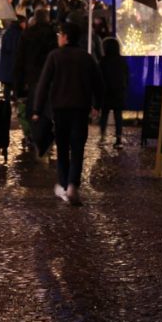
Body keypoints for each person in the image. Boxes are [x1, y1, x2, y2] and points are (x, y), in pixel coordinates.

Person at [32, 18, 103, 206]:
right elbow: (98, 83)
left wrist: (37, 109)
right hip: (80, 109)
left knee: (63, 148)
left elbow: (43, 84)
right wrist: (96, 104)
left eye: (59, 34)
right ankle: (73, 185)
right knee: (78, 148)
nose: (58, 37)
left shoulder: (54, 56)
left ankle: (64, 184)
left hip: (59, 109)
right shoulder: (86, 57)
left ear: (65, 37)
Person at [13, 9, 57, 147]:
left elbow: (20, 59)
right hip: (48, 77)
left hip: (31, 78)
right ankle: (45, 137)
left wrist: (18, 84)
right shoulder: (52, 34)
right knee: (47, 109)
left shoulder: (27, 34)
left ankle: (37, 137)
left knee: (33, 109)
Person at [98, 36, 128, 148]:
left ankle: (102, 137)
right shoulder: (121, 60)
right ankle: (118, 139)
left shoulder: (103, 61)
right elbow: (126, 76)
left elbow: (99, 77)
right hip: (118, 92)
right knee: (118, 115)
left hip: (106, 92)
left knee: (104, 115)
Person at [0, 13, 25, 101]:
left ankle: (7, 106)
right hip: (13, 67)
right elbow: (17, 51)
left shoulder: (8, 33)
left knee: (7, 90)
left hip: (6, 68)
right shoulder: (18, 34)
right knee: (15, 91)